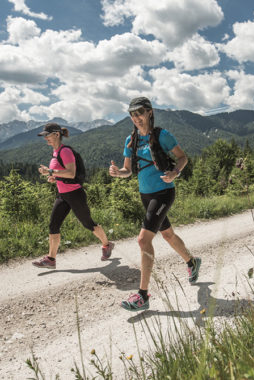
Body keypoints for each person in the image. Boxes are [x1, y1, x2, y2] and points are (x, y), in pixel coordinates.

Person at [109, 97, 201, 312]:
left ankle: (143, 295)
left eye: (139, 113)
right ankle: (192, 262)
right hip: (146, 195)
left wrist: (175, 172)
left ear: (149, 112)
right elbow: (128, 170)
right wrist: (117, 173)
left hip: (163, 193)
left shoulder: (162, 135)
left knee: (143, 240)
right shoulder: (130, 140)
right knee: (167, 235)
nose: (136, 118)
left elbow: (182, 158)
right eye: (132, 114)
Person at [32, 122, 114, 269]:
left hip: (75, 194)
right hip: (62, 195)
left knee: (88, 224)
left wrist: (50, 172)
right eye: (44, 136)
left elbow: (71, 173)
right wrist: (54, 178)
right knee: (53, 225)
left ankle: (107, 245)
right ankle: (51, 259)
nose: (45, 139)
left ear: (57, 134)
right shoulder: (55, 153)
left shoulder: (65, 151)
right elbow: (63, 174)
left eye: (47, 136)